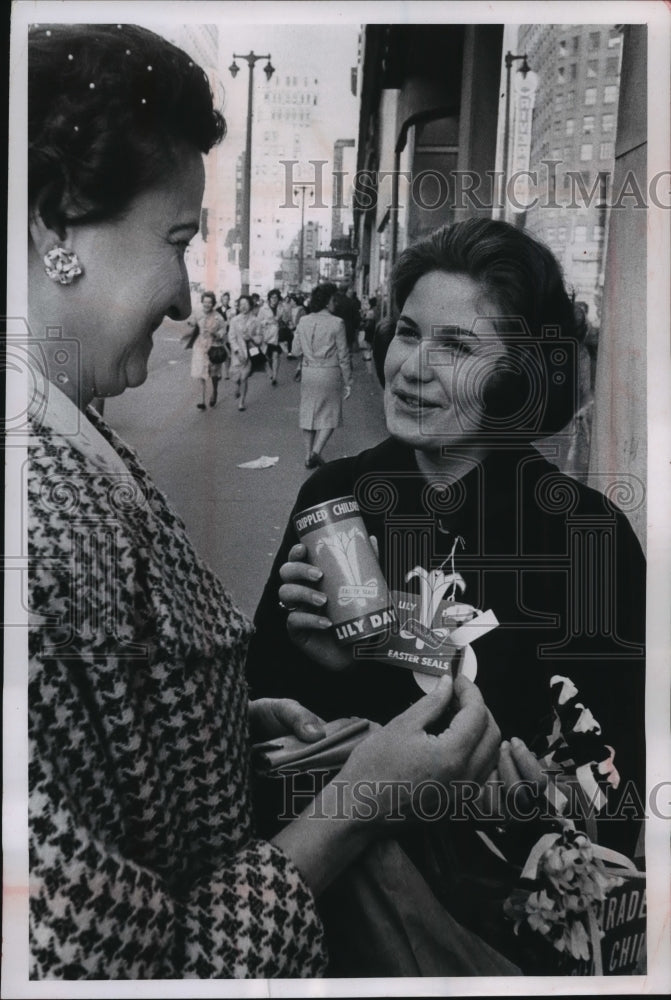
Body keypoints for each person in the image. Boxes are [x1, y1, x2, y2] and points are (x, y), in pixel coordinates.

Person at [27, 29, 507, 980]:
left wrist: (219, 733)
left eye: (455, 347)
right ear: (56, 224)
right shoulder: (42, 516)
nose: (181, 297)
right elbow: (112, 971)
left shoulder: (586, 530)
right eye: (176, 240)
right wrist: (356, 797)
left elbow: (104, 739)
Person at [246, 219, 646, 974]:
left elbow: (614, 779)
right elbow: (264, 721)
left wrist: (535, 803)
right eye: (406, 332)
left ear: (519, 376)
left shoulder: (585, 535)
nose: (412, 368)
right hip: (334, 923)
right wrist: (318, 667)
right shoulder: (334, 495)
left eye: (456, 347)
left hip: (500, 935)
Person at [292, 282, 353, 468]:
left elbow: (295, 351)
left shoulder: (304, 321)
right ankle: (316, 452)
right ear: (327, 302)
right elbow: (343, 355)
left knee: (308, 412)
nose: (335, 303)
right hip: (329, 372)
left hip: (309, 372)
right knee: (330, 413)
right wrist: (348, 380)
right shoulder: (337, 323)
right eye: (333, 299)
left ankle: (307, 454)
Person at [189, 290, 227, 408]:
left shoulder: (218, 317)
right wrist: (190, 323)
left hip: (214, 348)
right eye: (205, 302)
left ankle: (215, 391)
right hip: (200, 347)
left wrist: (216, 334)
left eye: (209, 302)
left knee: (214, 374)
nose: (207, 305)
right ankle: (202, 400)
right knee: (202, 373)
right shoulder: (198, 312)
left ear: (213, 303)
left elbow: (223, 330)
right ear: (202, 302)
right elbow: (191, 322)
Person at [227, 294, 258, 411]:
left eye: (246, 304)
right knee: (236, 376)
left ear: (250, 305)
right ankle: (237, 385)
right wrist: (236, 350)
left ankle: (241, 402)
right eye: (241, 304)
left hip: (250, 351)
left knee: (244, 376)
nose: (243, 307)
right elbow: (231, 337)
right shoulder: (234, 320)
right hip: (237, 353)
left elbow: (260, 335)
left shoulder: (255, 320)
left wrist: (252, 338)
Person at [257, 288, 283, 385]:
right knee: (267, 358)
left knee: (276, 355)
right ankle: (270, 373)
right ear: (269, 298)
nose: (274, 299)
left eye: (276, 297)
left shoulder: (281, 308)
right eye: (272, 297)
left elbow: (284, 319)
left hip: (276, 336)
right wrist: (267, 321)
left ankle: (275, 376)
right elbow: (258, 322)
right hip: (266, 336)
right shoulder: (263, 309)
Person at [216, 291, 234, 379]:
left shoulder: (232, 310)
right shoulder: (217, 310)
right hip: (220, 333)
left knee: (228, 354)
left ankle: (226, 372)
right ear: (221, 300)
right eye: (224, 299)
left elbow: (234, 321)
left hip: (229, 333)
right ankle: (219, 372)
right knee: (220, 353)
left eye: (227, 299)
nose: (226, 300)